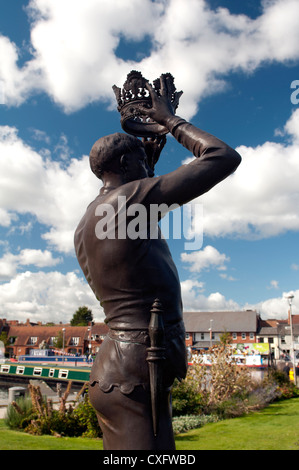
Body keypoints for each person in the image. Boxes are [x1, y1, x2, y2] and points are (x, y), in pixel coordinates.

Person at [74, 76, 241, 450]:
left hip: (124, 371)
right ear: (124, 163)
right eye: (139, 161)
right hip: (136, 371)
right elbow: (222, 157)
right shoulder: (128, 202)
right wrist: (171, 121)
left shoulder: (92, 218)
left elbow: (139, 203)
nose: (148, 170)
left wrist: (143, 162)